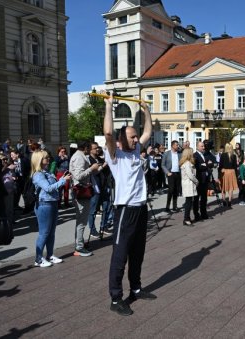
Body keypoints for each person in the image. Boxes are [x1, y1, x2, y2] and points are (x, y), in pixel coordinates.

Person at [103, 94, 156, 316]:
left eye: (135, 137)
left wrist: (145, 110)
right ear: (121, 139)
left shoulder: (135, 151)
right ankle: (116, 298)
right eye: (132, 137)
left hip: (140, 207)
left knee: (137, 252)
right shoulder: (114, 154)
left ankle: (135, 287)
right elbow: (108, 132)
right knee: (120, 253)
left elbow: (148, 131)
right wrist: (108, 106)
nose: (136, 140)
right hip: (125, 209)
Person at [31, 150, 71, 267]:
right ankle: (38, 258)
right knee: (44, 233)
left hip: (52, 203)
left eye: (48, 157)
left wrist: (61, 180)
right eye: (45, 158)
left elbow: (52, 187)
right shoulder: (38, 174)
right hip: (44, 205)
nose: (48, 159)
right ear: (39, 160)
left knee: (51, 232)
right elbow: (48, 188)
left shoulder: (47, 172)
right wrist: (63, 181)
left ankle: (50, 255)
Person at [69, 141, 99, 257]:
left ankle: (79, 244)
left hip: (82, 192)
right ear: (86, 148)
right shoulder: (79, 157)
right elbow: (78, 176)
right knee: (81, 221)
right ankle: (79, 247)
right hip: (80, 192)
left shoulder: (80, 156)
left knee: (81, 221)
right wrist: (91, 168)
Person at [87, 142, 109, 238]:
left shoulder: (100, 159)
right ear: (90, 150)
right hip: (95, 188)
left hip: (104, 186)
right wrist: (103, 166)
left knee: (106, 207)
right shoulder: (88, 160)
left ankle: (103, 227)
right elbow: (93, 172)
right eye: (95, 148)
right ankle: (92, 230)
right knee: (93, 210)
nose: (97, 150)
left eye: (98, 148)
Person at [193, 141, 212, 221]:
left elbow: (210, 163)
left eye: (203, 146)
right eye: (201, 146)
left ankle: (203, 213)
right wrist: (206, 165)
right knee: (197, 198)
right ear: (197, 147)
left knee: (204, 198)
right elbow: (198, 167)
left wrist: (207, 164)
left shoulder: (204, 155)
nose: (203, 148)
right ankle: (196, 214)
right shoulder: (195, 155)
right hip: (199, 179)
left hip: (205, 179)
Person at [161, 140, 181, 213]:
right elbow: (163, 165)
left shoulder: (179, 154)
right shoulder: (167, 154)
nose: (177, 146)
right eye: (176, 145)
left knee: (176, 190)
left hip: (178, 173)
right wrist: (167, 172)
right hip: (171, 174)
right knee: (171, 190)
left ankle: (174, 206)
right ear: (172, 146)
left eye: (178, 145)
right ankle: (167, 206)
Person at [180, 148, 198, 226]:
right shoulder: (187, 163)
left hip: (188, 184)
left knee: (189, 202)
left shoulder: (187, 163)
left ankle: (187, 217)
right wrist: (197, 181)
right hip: (188, 184)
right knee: (188, 202)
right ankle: (186, 219)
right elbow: (190, 175)